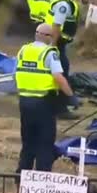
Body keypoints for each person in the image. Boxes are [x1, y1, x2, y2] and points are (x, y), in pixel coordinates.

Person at [15, 23, 80, 175]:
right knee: (44, 144)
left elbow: (17, 72)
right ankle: (42, 181)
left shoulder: (24, 50)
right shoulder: (49, 53)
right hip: (43, 104)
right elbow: (58, 76)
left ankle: (21, 178)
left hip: (24, 102)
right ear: (47, 37)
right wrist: (71, 96)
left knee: (28, 143)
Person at [44, 0, 93, 120]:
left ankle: (65, 100)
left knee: (63, 68)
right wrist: (52, 46)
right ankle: (61, 109)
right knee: (60, 72)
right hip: (54, 41)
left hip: (59, 42)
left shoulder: (69, 0)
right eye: (84, 2)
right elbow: (56, 25)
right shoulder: (65, 5)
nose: (83, 5)